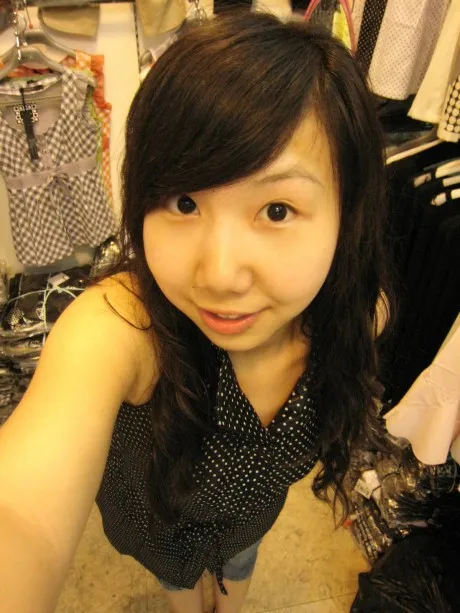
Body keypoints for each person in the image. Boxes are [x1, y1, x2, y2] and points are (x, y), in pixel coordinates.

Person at [0, 11, 395, 613]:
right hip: (158, 530)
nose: (219, 275)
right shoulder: (123, 325)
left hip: (247, 525)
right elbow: (20, 514)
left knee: (238, 567)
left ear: (348, 213)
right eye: (184, 202)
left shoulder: (362, 316)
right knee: (183, 588)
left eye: (278, 210)